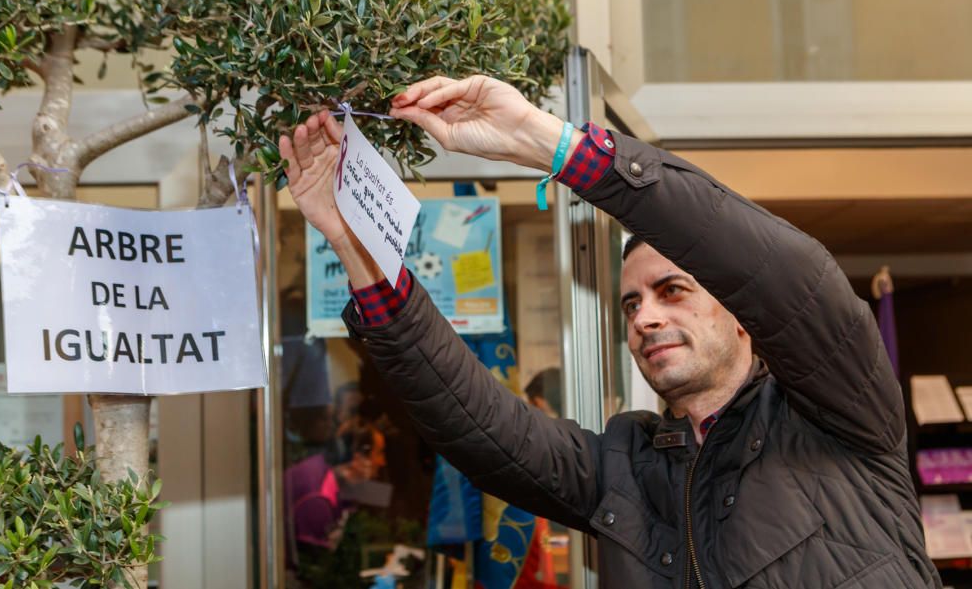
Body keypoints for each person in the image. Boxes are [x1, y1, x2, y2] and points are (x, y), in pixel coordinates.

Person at [279, 75, 940, 588]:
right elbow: (476, 424)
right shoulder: (628, 464)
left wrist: (549, 144)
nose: (645, 316)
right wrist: (354, 244)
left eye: (672, 290)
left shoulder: (837, 412)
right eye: (630, 305)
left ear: (742, 312)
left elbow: (793, 281)